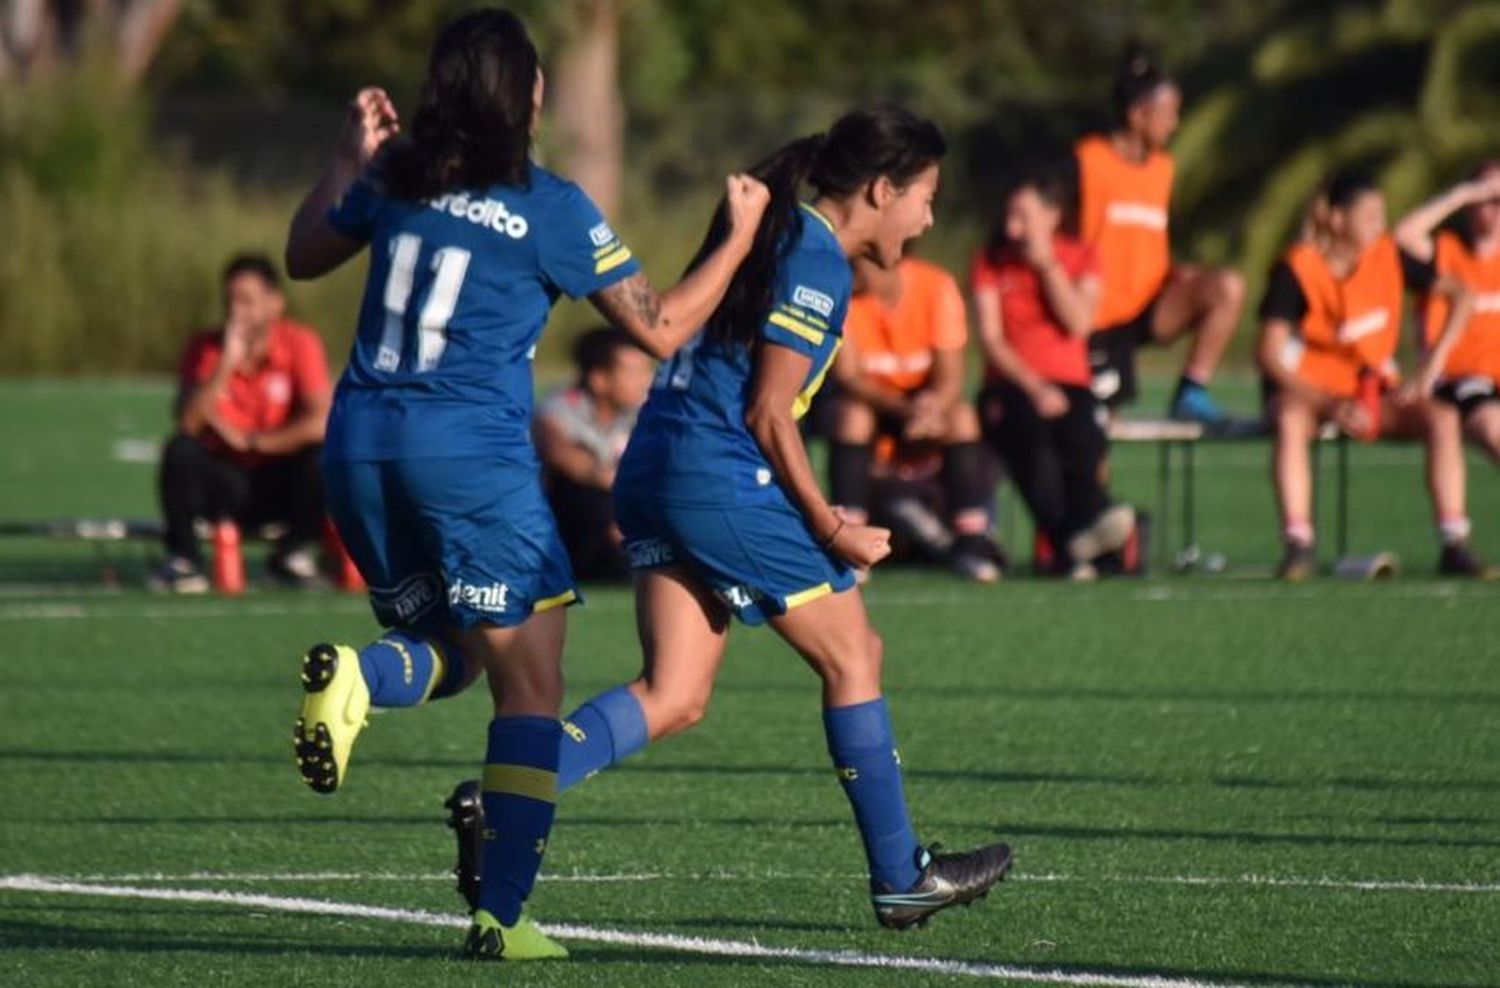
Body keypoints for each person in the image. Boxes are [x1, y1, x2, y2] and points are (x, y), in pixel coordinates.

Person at [448, 106, 1012, 932]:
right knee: (857, 654)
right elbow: (769, 414)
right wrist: (828, 527)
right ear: (883, 189)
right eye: (924, 198)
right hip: (715, 479)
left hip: (655, 469)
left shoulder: (779, 233)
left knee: (673, 694)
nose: (928, 219)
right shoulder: (817, 258)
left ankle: (509, 794)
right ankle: (902, 875)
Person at [281, 8, 768, 962]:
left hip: (357, 446)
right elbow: (662, 327)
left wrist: (346, 157)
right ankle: (502, 917)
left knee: (456, 652)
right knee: (533, 689)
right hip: (468, 460)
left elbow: (303, 255)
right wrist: (739, 239)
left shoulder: (393, 179)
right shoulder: (550, 205)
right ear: (527, 97)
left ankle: (364, 675)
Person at [1256, 168, 1474, 581]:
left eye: (1381, 214)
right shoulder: (1299, 268)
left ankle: (1454, 541)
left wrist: (1431, 365)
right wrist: (1327, 403)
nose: (1380, 224)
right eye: (1370, 215)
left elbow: (1461, 294)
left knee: (1442, 417)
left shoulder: (1388, 256)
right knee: (1288, 419)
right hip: (1310, 393)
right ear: (1338, 220)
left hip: (1370, 391)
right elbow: (1268, 353)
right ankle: (1298, 543)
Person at [972, 166, 1136, 580]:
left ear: (1052, 215)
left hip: (1073, 385)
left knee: (1083, 439)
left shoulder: (1081, 256)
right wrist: (1035, 386)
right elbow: (991, 340)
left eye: (1023, 217)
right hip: (1011, 385)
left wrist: (1047, 268)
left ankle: (1077, 541)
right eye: (1009, 216)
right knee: (1033, 442)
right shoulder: (991, 262)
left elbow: (1079, 322)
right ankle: (1081, 536)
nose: (1012, 228)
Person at [1076, 44, 1245, 424]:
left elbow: (1143, 239)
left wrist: (1174, 273)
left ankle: (1191, 391)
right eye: (1168, 113)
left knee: (1226, 287)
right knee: (1096, 433)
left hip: (1149, 307)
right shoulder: (1088, 161)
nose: (1174, 123)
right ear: (1137, 114)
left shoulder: (1163, 169)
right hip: (1095, 316)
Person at [150, 254, 331, 592]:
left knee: (323, 458)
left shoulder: (300, 343)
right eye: (230, 301)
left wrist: (256, 442)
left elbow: (321, 419)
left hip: (278, 477)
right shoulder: (205, 348)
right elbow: (189, 423)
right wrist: (226, 364)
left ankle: (293, 555)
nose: (236, 311)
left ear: (275, 303)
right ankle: (184, 559)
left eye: (247, 301)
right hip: (225, 480)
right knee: (180, 451)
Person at [828, 253, 1005, 582]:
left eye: (858, 265)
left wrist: (932, 408)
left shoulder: (935, 286)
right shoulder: (842, 295)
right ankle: (849, 539)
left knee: (962, 417)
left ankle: (972, 537)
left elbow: (951, 375)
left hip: (926, 406)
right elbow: (850, 377)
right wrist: (903, 409)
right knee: (850, 416)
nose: (851, 274)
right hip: (876, 405)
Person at [1393, 161, 1500, 578]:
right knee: (1493, 428)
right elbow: (1402, 238)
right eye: (1483, 201)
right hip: (1459, 382)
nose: (1488, 210)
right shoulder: (1447, 253)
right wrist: (1462, 193)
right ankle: (1454, 542)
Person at [536, 327, 654, 581]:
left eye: (648, 370)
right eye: (634, 372)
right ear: (599, 379)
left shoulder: (643, 413)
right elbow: (566, 459)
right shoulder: (559, 411)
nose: (646, 380)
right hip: (570, 521)